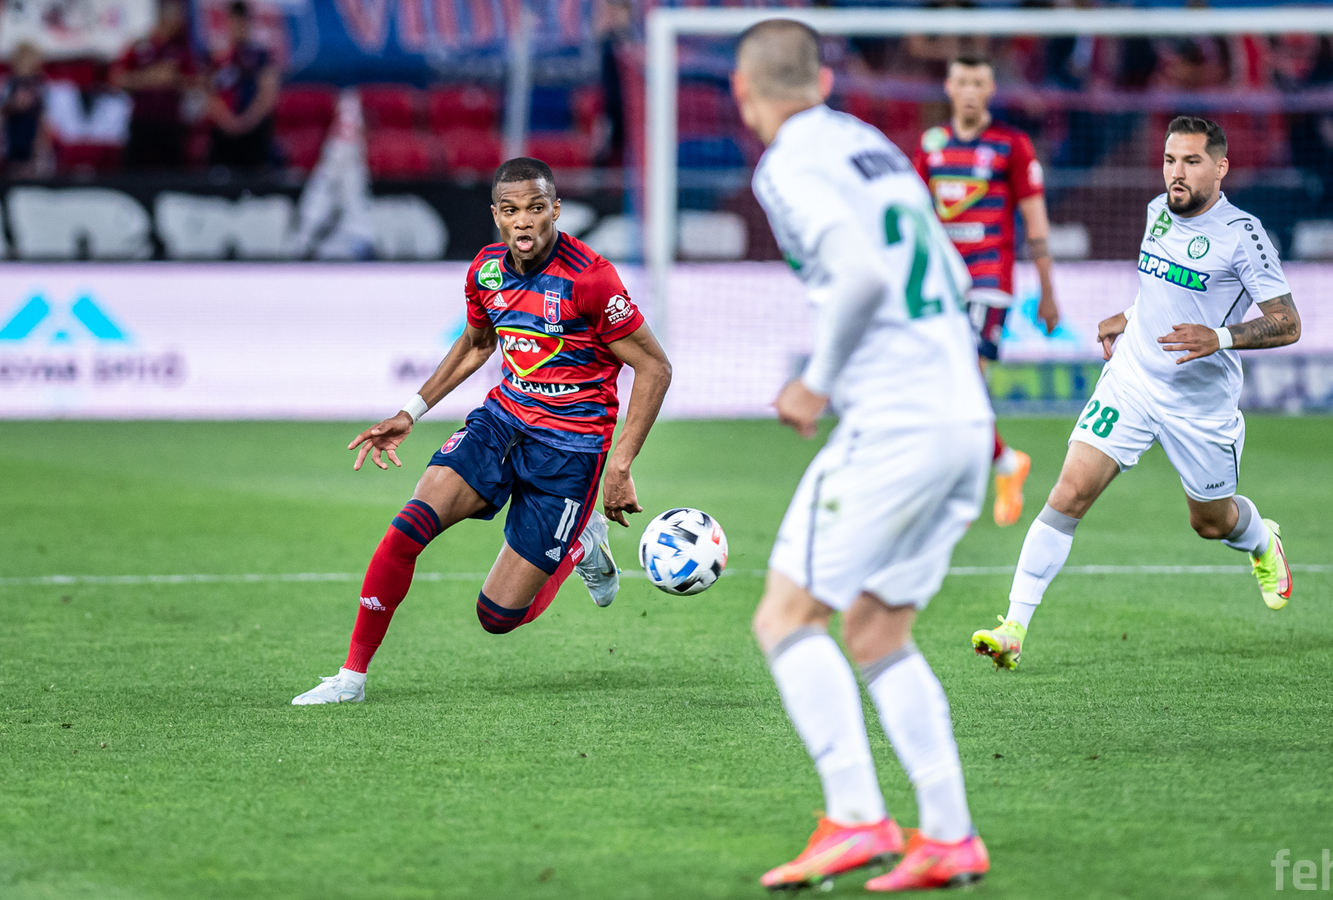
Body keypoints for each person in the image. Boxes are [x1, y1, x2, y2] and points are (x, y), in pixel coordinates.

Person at [734, 19, 992, 892]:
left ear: (743, 91)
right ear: (823, 80)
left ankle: (855, 818)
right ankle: (949, 837)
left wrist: (816, 382)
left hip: (896, 424)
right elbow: (955, 275)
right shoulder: (872, 146)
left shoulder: (788, 164)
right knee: (878, 628)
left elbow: (862, 275)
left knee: (785, 618)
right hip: (962, 415)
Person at [291, 157, 673, 705]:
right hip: (501, 424)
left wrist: (620, 464)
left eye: (536, 208)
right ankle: (351, 677)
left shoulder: (590, 279)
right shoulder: (486, 271)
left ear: (556, 211)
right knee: (405, 531)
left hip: (569, 451)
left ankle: (581, 543)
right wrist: (410, 411)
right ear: (496, 215)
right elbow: (477, 344)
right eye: (512, 211)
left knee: (496, 616)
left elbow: (654, 367)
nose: (524, 221)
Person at [970, 116, 1298, 671]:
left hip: (1199, 405)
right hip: (1133, 380)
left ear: (1220, 168)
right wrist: (1126, 317)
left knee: (1210, 522)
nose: (1176, 173)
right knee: (1070, 492)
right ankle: (1013, 628)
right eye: (1170, 160)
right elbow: (1161, 290)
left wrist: (1219, 337)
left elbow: (1288, 323)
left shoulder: (1244, 235)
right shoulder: (1157, 211)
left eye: (1191, 161)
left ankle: (1262, 541)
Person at [911, 54, 1059, 528]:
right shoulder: (931, 146)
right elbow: (915, 218)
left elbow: (1035, 222)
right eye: (962, 82)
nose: (970, 91)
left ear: (991, 89)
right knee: (948, 382)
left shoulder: (1012, 145)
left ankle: (962, 475)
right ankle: (1004, 462)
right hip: (942, 284)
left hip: (990, 281)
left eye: (979, 82)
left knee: (965, 373)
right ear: (949, 88)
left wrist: (1048, 290)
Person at [112, 0, 197, 170]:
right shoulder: (140, 45)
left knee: (173, 175)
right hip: (142, 121)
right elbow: (117, 79)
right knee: (134, 174)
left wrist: (174, 79)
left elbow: (195, 82)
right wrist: (152, 78)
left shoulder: (181, 48)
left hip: (170, 122)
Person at [206, 0, 279, 171]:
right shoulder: (218, 57)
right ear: (227, 22)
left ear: (248, 22)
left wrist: (246, 121)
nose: (237, 27)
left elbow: (268, 93)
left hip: (253, 128)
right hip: (224, 129)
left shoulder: (260, 55)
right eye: (233, 22)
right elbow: (209, 94)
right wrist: (227, 121)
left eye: (241, 22)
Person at [1, 43, 47, 176]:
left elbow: (44, 115)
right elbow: (3, 110)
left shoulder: (40, 85)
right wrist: (14, 106)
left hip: (32, 130)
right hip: (12, 131)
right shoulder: (8, 83)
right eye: (23, 61)